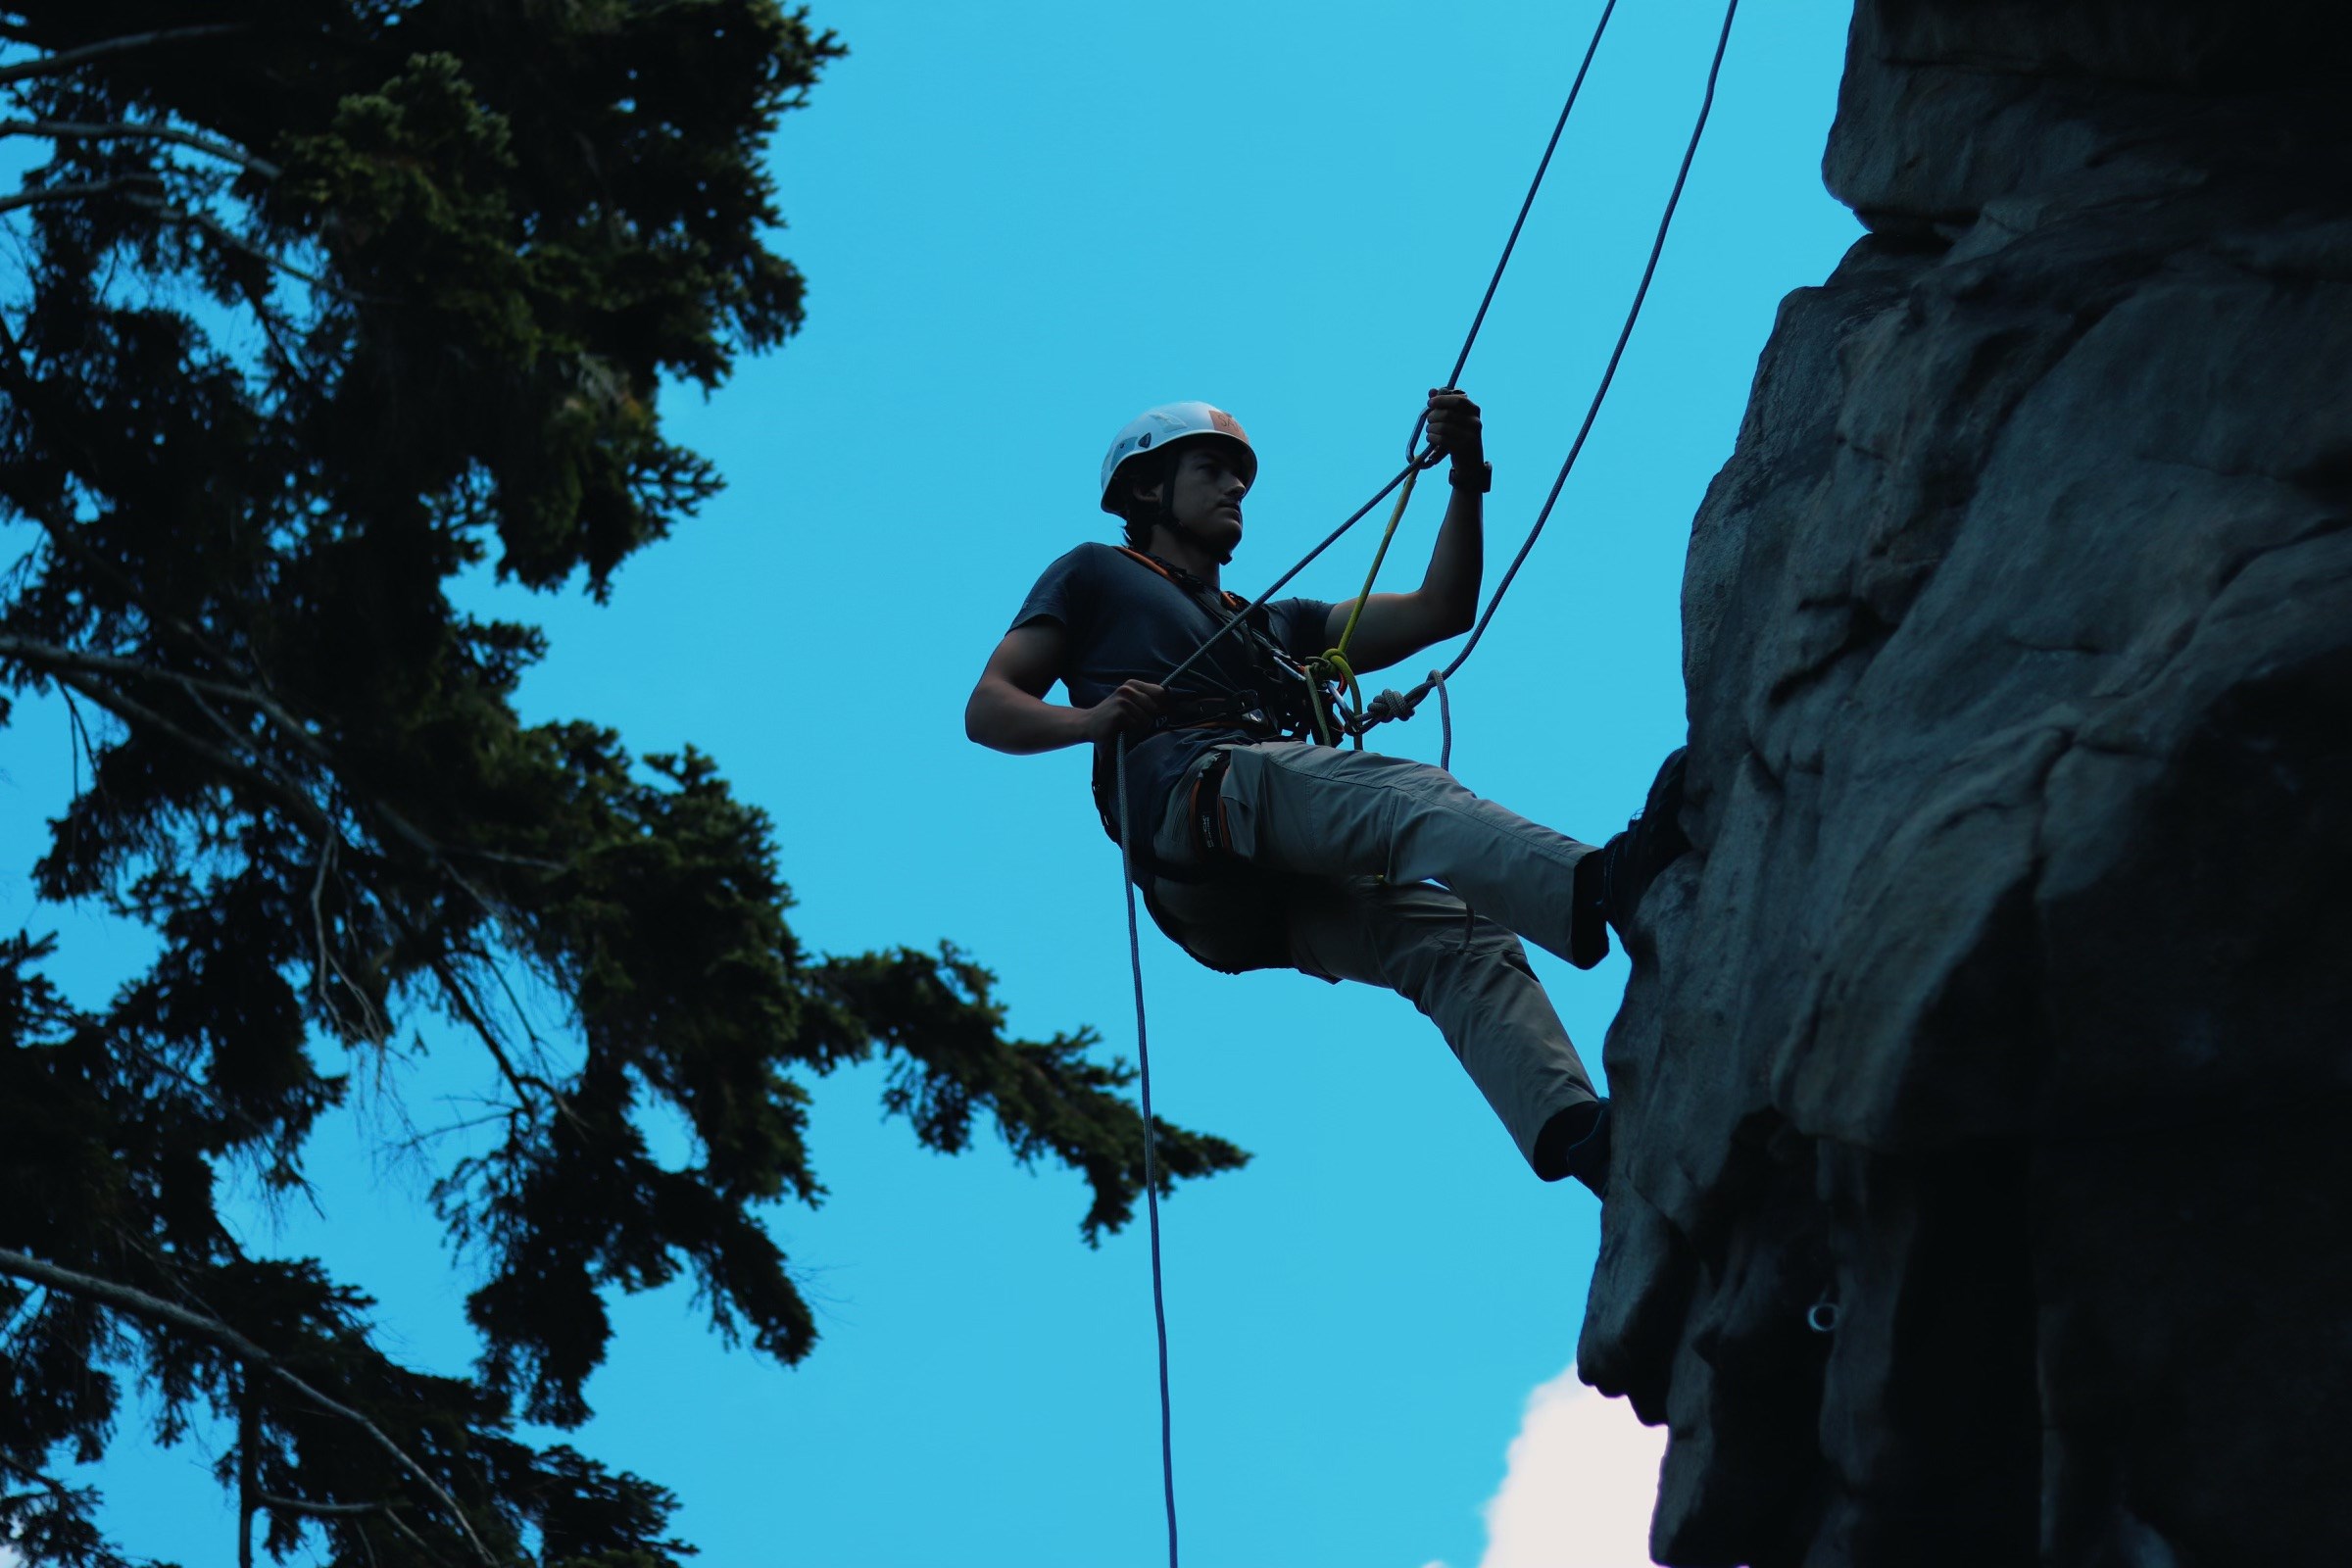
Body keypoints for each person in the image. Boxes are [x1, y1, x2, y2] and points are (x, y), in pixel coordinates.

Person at [963, 393, 1686, 1197]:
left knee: (1459, 939)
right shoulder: (1096, 572)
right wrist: (1090, 719)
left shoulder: (1276, 625)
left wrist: (1466, 476)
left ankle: (1577, 1135)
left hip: (1251, 894)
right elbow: (989, 705)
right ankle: (1603, 884)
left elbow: (1443, 608)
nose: (1235, 487)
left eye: (1241, 476)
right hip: (1198, 796)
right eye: (1211, 469)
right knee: (1400, 798)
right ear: (1144, 490)